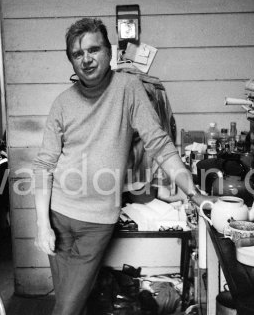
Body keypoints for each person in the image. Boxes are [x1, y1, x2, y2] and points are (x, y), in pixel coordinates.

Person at [33, 18, 205, 315]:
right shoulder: (62, 103)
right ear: (71, 61)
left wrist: (193, 193)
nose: (86, 59)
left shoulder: (129, 88)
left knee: (67, 308)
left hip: (97, 220)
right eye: (77, 54)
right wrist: (41, 224)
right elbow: (44, 165)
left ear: (108, 52)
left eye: (93, 49)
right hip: (58, 214)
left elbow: (159, 143)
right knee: (69, 302)